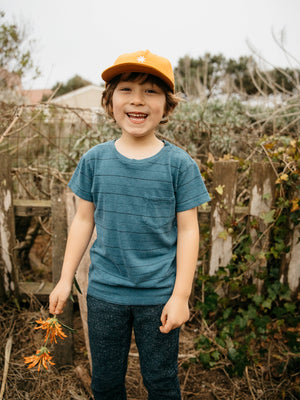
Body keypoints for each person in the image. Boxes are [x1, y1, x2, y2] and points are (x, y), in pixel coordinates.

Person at [49, 49, 210, 400]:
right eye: (127, 89)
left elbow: (188, 230)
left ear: (167, 106)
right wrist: (64, 280)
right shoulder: (94, 161)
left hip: (159, 296)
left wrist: (181, 296)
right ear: (109, 102)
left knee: (162, 383)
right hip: (105, 294)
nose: (138, 100)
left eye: (151, 91)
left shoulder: (179, 166)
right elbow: (82, 220)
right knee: (105, 383)